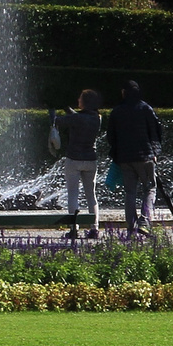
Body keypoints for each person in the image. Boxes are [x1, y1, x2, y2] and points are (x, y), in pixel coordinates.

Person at [107, 79, 164, 234]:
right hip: (145, 157)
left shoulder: (117, 111)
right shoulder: (145, 108)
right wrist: (155, 153)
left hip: (125, 159)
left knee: (130, 192)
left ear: (124, 92)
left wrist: (117, 153)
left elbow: (110, 137)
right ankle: (144, 222)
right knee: (150, 189)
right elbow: (156, 131)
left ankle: (131, 227)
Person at [54, 89, 104, 239]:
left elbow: (59, 121)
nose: (78, 100)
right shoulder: (97, 118)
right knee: (91, 195)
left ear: (84, 102)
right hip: (90, 159)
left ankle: (73, 228)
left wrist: (56, 110)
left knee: (73, 194)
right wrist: (67, 108)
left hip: (74, 159)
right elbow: (76, 116)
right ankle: (94, 228)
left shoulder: (77, 119)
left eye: (80, 98)